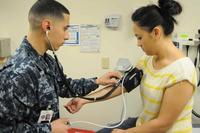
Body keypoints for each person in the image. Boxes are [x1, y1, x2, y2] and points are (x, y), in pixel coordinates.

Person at [66, 0, 198, 132]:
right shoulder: (148, 59)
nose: (138, 43)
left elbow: (163, 124)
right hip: (143, 123)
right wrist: (84, 100)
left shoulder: (182, 72)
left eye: (139, 37)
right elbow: (123, 85)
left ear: (156, 33)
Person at [0, 0, 120, 132]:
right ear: (47, 26)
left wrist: (97, 81)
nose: (67, 36)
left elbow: (64, 86)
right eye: (65, 28)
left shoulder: (47, 61)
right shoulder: (16, 73)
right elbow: (5, 129)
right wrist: (49, 129)